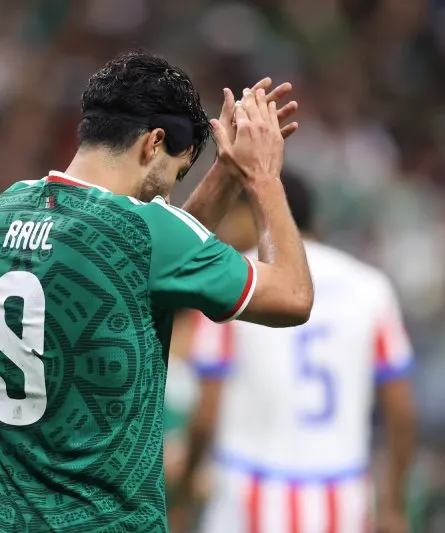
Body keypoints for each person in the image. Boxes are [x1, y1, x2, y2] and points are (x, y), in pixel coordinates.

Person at [0, 49, 313, 532]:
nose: (165, 194)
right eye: (176, 174)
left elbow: (149, 259)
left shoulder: (1, 213)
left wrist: (225, 170)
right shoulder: (145, 232)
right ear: (154, 143)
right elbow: (293, 296)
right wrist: (261, 176)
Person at [171, 173, 416, 533]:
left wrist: (186, 488)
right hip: (341, 492)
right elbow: (401, 411)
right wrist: (394, 503)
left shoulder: (230, 279)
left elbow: (207, 413)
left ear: (252, 211)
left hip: (249, 490)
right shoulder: (371, 287)